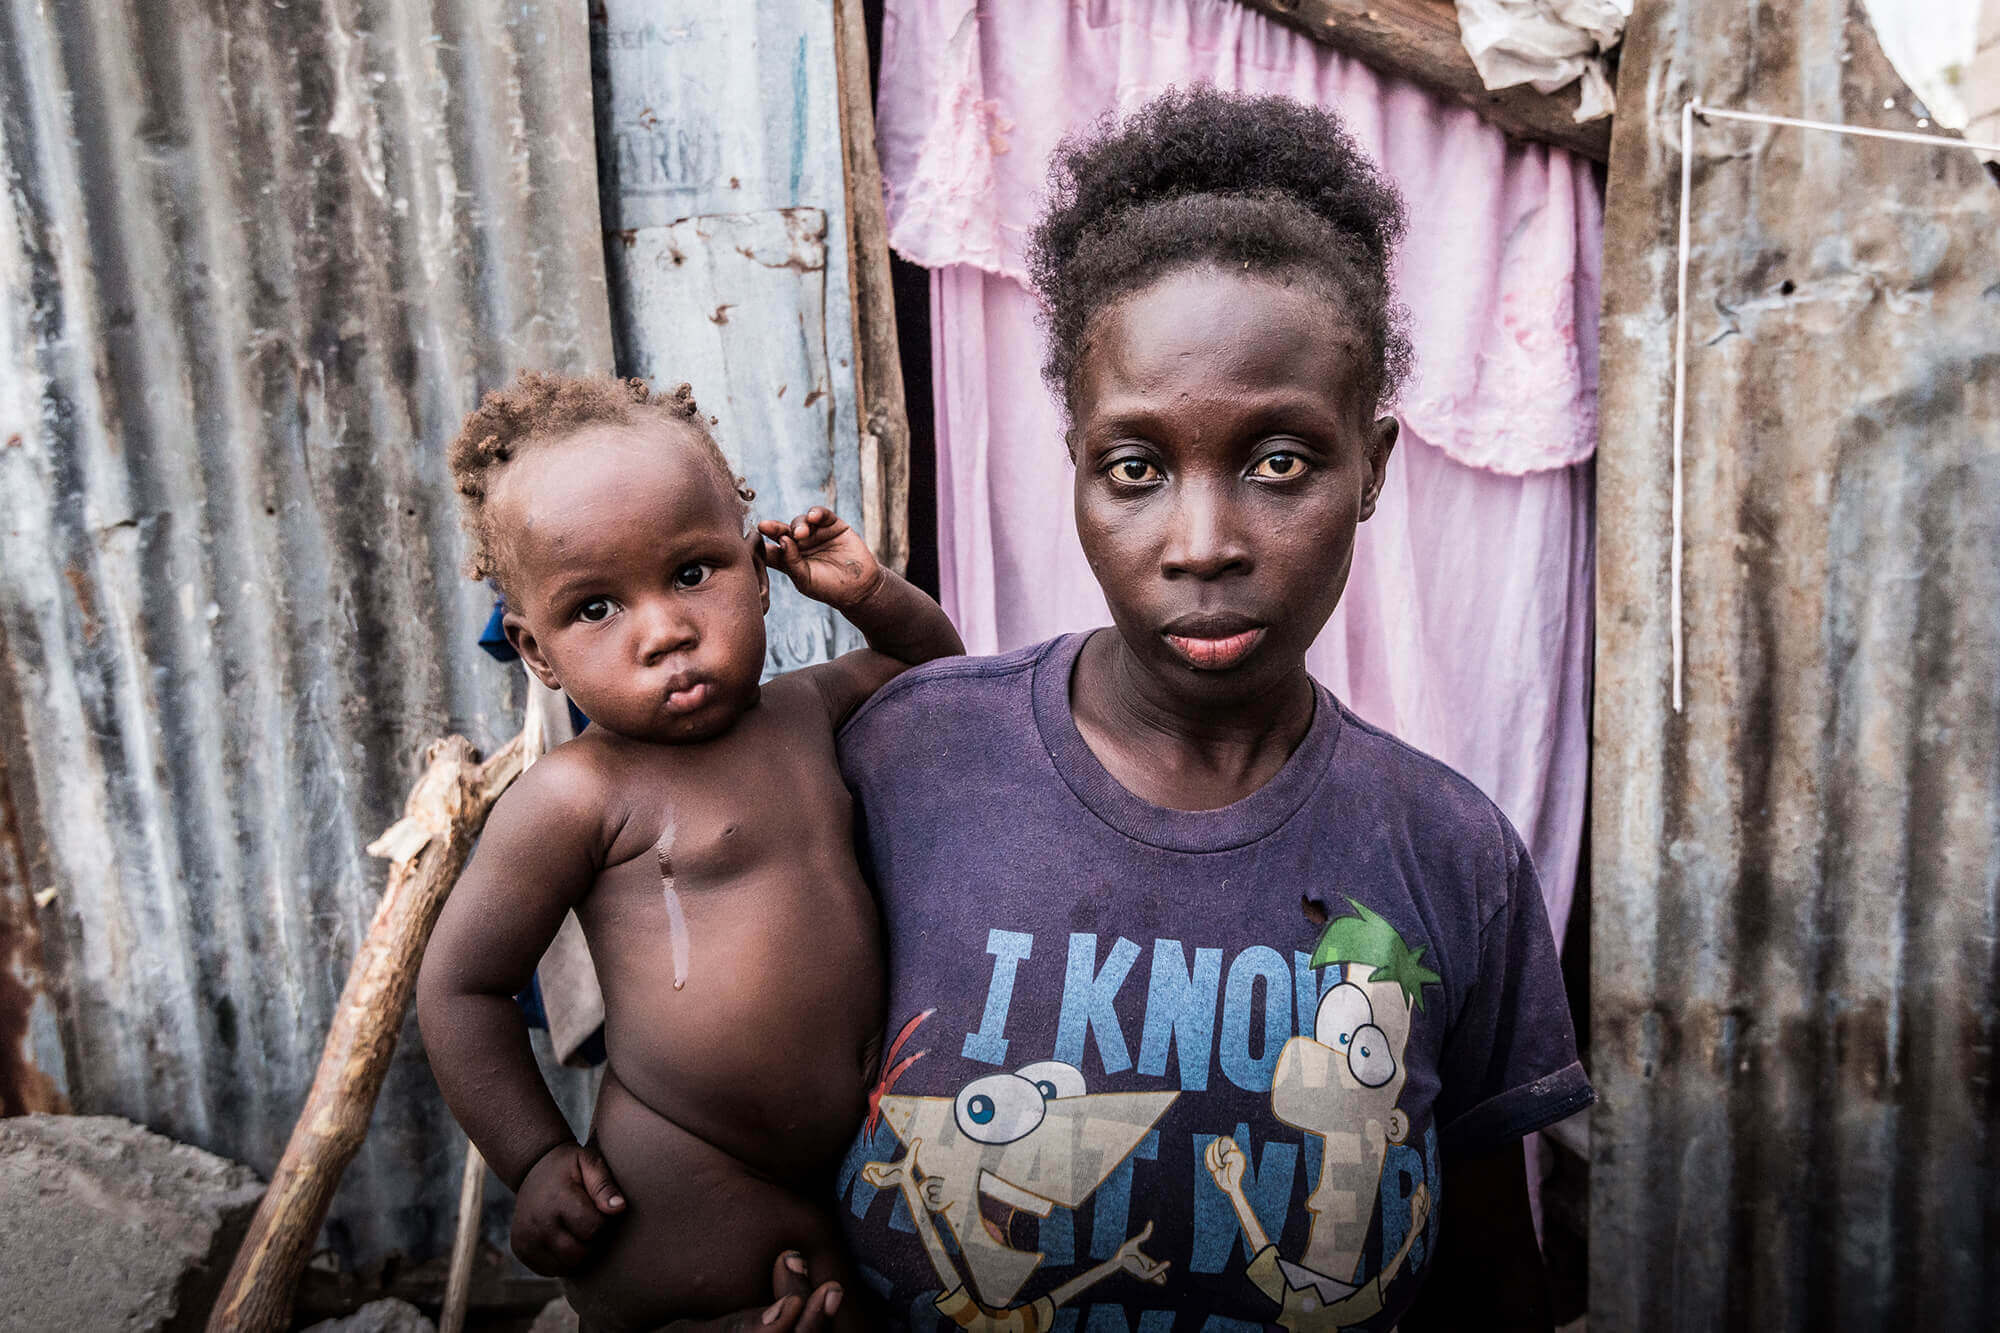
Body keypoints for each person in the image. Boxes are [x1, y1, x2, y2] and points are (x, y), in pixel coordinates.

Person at [830, 86, 1594, 1331]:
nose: (1202, 542)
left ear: (1372, 469)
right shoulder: (906, 765)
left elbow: (1487, 1273)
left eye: (1278, 461)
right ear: (1072, 464)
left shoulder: (1448, 854)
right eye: (1134, 468)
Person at [416, 371, 963, 1332]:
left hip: (860, 1149)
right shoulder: (576, 795)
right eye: (595, 608)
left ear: (758, 571)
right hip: (682, 1157)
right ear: (536, 651)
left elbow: (942, 683)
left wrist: (870, 591)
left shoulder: (809, 708)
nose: (665, 630)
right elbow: (459, 988)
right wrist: (536, 1157)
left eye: (691, 573)